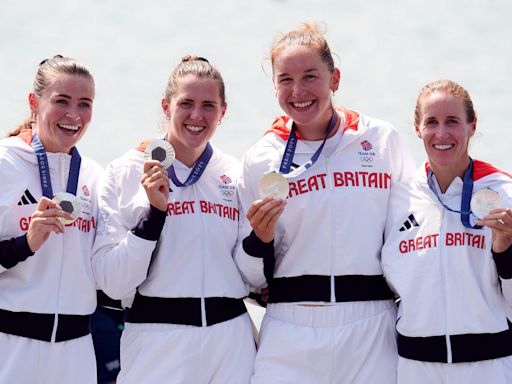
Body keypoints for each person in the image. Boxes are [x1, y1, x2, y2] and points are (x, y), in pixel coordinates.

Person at [235, 23, 414, 383]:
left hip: (371, 327)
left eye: (310, 76)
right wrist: (260, 239)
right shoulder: (261, 157)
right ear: (274, 87)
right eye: (285, 79)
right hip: (290, 327)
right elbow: (246, 272)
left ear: (335, 79)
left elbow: (410, 228)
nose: (298, 91)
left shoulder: (379, 140)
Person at [92, 55, 256, 384]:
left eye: (209, 105)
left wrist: (263, 244)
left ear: (223, 112)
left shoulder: (235, 173)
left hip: (230, 341)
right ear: (166, 106)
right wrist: (153, 217)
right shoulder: (126, 171)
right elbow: (112, 281)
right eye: (186, 103)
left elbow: (249, 273)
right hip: (157, 339)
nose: (197, 116)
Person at [381, 79, 512, 383]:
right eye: (431, 122)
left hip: (489, 367)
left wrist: (506, 250)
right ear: (417, 128)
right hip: (416, 367)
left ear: (472, 126)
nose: (441, 134)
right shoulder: (398, 198)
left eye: (452, 121)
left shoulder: (504, 193)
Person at [0, 55, 101, 383]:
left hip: (75, 353)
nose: (74, 115)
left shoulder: (95, 177)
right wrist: (24, 245)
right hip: (11, 346)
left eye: (84, 104)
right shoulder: (5, 164)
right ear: (34, 102)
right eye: (62, 101)